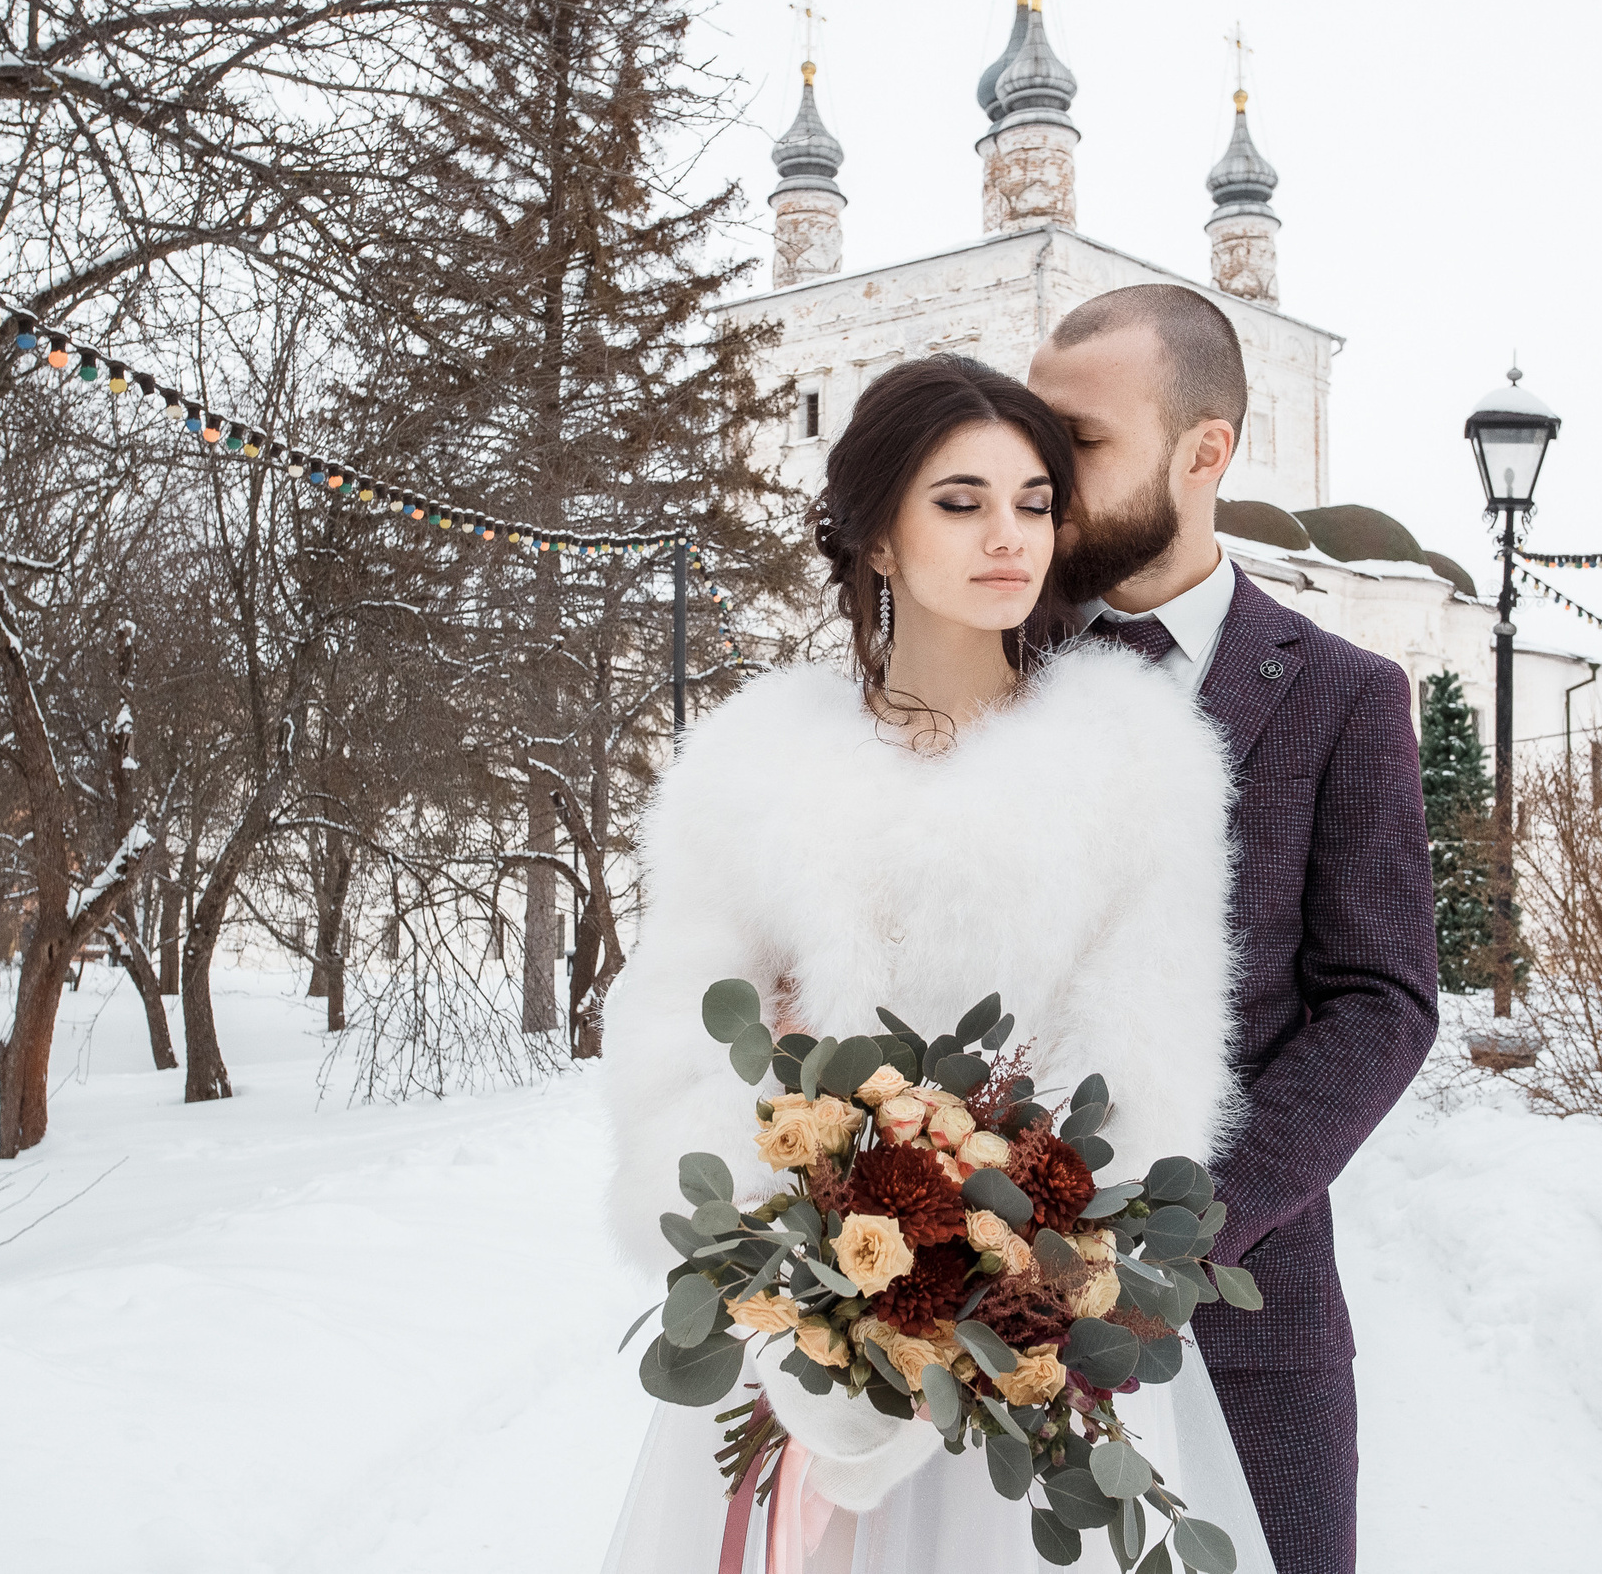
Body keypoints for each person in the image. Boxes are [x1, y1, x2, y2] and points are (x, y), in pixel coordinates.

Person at [600, 353, 1274, 1573]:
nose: (1007, 536)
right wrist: (803, 1308)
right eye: (960, 502)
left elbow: (1147, 1060)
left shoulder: (1136, 759)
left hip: (1024, 1351)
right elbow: (680, 1044)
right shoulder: (752, 764)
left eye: (1033, 503)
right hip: (791, 1334)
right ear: (876, 534)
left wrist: (994, 1297)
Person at [1026, 284, 1439, 1574]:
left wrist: (1179, 1240)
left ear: (1203, 452)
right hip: (972, 1313)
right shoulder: (988, 671)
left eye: (1080, 442)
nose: (1043, 477)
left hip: (1246, 1323)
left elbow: (1379, 1002)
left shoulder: (1343, 696)